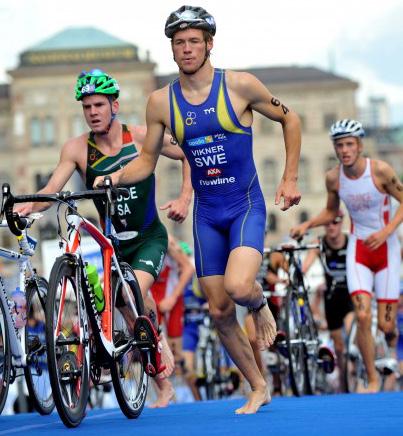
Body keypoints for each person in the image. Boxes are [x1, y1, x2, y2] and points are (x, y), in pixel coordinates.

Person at [94, 5, 301, 414]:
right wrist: (114, 178)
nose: (186, 49)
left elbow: (290, 119)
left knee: (240, 288)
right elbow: (147, 161)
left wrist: (289, 178)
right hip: (206, 215)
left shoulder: (240, 85)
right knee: (219, 309)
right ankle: (257, 386)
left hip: (244, 205)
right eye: (178, 43)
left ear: (209, 45)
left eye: (193, 41)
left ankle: (259, 306)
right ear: (171, 50)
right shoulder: (160, 102)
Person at [14, 68, 193, 406]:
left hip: (148, 237)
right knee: (129, 306)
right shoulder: (77, 149)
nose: (92, 112)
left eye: (99, 105)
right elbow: (53, 188)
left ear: (115, 105)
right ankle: (159, 376)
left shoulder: (139, 136)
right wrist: (26, 208)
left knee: (130, 294)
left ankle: (158, 351)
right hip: (113, 245)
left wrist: (185, 197)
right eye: (86, 107)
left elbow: (185, 154)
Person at [291, 118, 403, 393]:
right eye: (339, 145)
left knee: (387, 325)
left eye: (349, 144)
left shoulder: (381, 171)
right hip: (359, 251)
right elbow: (331, 212)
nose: (345, 150)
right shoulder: (334, 178)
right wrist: (308, 224)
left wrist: (387, 231)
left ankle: (391, 346)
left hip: (387, 250)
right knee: (363, 316)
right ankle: (373, 379)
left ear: (360, 145)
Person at [301, 209, 354, 392]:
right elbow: (305, 265)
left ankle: (358, 367)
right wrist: (298, 274)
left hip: (350, 296)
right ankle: (343, 384)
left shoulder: (350, 241)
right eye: (328, 223)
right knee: (339, 348)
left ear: (341, 223)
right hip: (332, 300)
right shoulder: (319, 243)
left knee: (351, 333)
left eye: (336, 222)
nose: (332, 227)